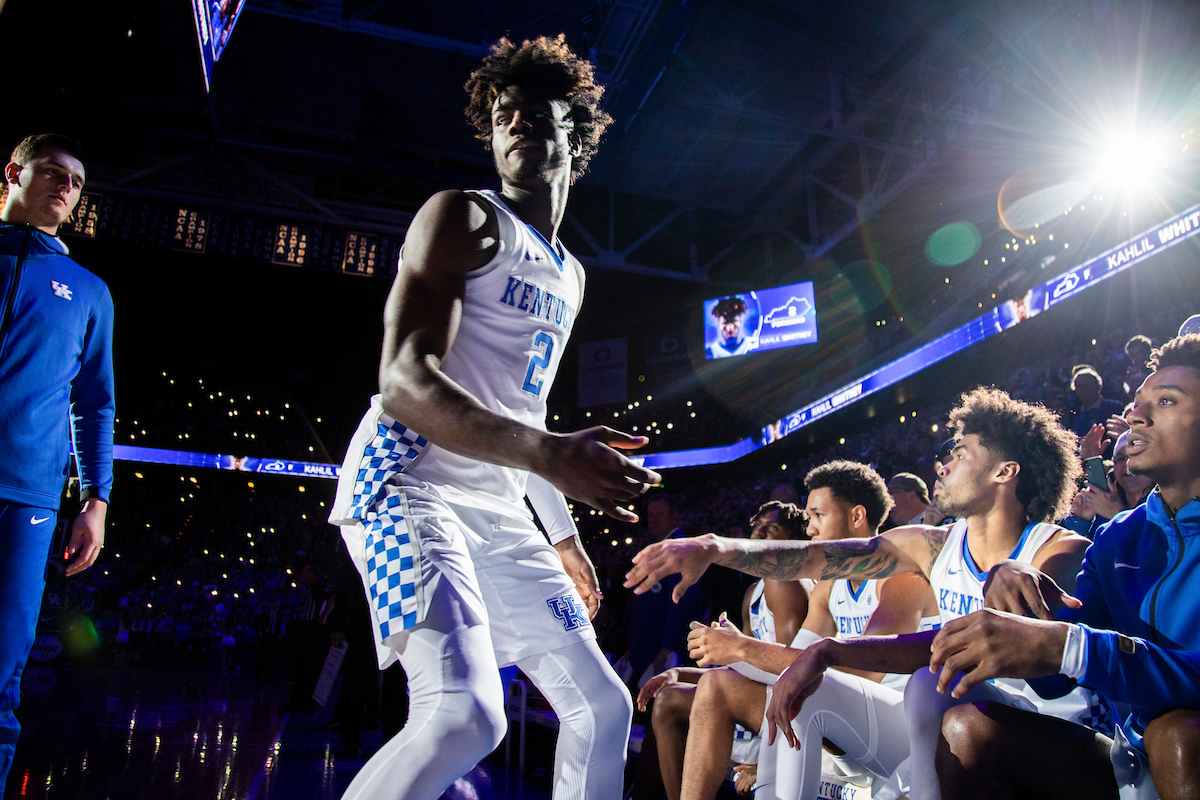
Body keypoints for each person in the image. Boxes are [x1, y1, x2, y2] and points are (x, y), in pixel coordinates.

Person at [327, 35, 657, 800]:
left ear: (574, 133)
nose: (515, 127)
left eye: (535, 115)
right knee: (464, 718)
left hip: (500, 503)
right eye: (503, 116)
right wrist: (547, 456)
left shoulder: (571, 274)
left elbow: (524, 413)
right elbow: (405, 381)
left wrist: (565, 537)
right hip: (405, 480)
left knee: (603, 708)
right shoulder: (462, 217)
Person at [624, 387, 1105, 800]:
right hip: (941, 724)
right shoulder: (932, 547)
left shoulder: (1057, 550)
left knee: (928, 684)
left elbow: (996, 649)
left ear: (1004, 472)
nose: (943, 464)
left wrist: (826, 652)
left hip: (1046, 738)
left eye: (960, 453)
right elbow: (815, 559)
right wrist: (715, 547)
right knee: (810, 695)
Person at [927, 334, 1200, 800]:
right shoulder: (1115, 539)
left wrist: (1070, 646)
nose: (1137, 414)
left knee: (1175, 734)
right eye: (1137, 403)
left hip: (1181, 746)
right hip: (1131, 758)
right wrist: (1028, 607)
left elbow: (1079, 651)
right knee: (965, 728)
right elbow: (1055, 680)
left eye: (1167, 401)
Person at [0, 133, 113, 791]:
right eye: (53, 172)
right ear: (14, 173)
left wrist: (95, 500)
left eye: (77, 180)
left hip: (27, 501)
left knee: (2, 672)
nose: (67, 186)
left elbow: (95, 404)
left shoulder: (89, 291)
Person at [636, 499, 811, 800]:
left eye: (772, 528)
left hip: (785, 713)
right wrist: (679, 672)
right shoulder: (752, 591)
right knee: (666, 699)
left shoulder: (786, 583)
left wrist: (772, 760)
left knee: (671, 708)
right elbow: (743, 669)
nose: (759, 534)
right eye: (757, 527)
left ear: (792, 540)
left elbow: (793, 672)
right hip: (754, 697)